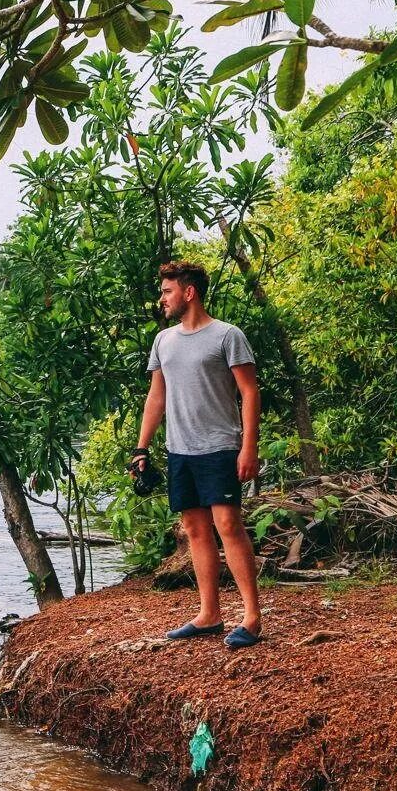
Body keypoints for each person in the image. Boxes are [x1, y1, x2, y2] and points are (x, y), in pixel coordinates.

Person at [128, 261, 264, 649]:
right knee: (194, 529)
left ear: (189, 292)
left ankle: (252, 617)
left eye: (168, 291)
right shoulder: (163, 341)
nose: (162, 298)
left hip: (220, 445)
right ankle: (209, 615)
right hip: (179, 449)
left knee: (228, 525)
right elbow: (157, 395)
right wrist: (142, 447)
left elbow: (250, 392)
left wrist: (248, 446)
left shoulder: (227, 336)